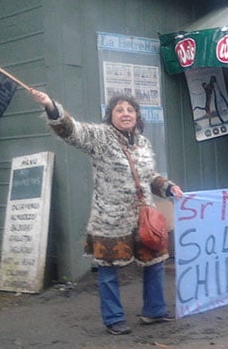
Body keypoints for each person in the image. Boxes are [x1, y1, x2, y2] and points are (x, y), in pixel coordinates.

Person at [30, 89, 184, 335]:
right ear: (110, 115)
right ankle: (114, 319)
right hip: (110, 219)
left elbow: (149, 176)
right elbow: (71, 131)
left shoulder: (142, 142)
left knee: (155, 263)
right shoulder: (100, 137)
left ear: (137, 116)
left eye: (130, 110)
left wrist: (167, 186)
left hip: (145, 218)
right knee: (109, 271)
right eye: (119, 110)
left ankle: (154, 311)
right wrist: (50, 105)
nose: (126, 114)